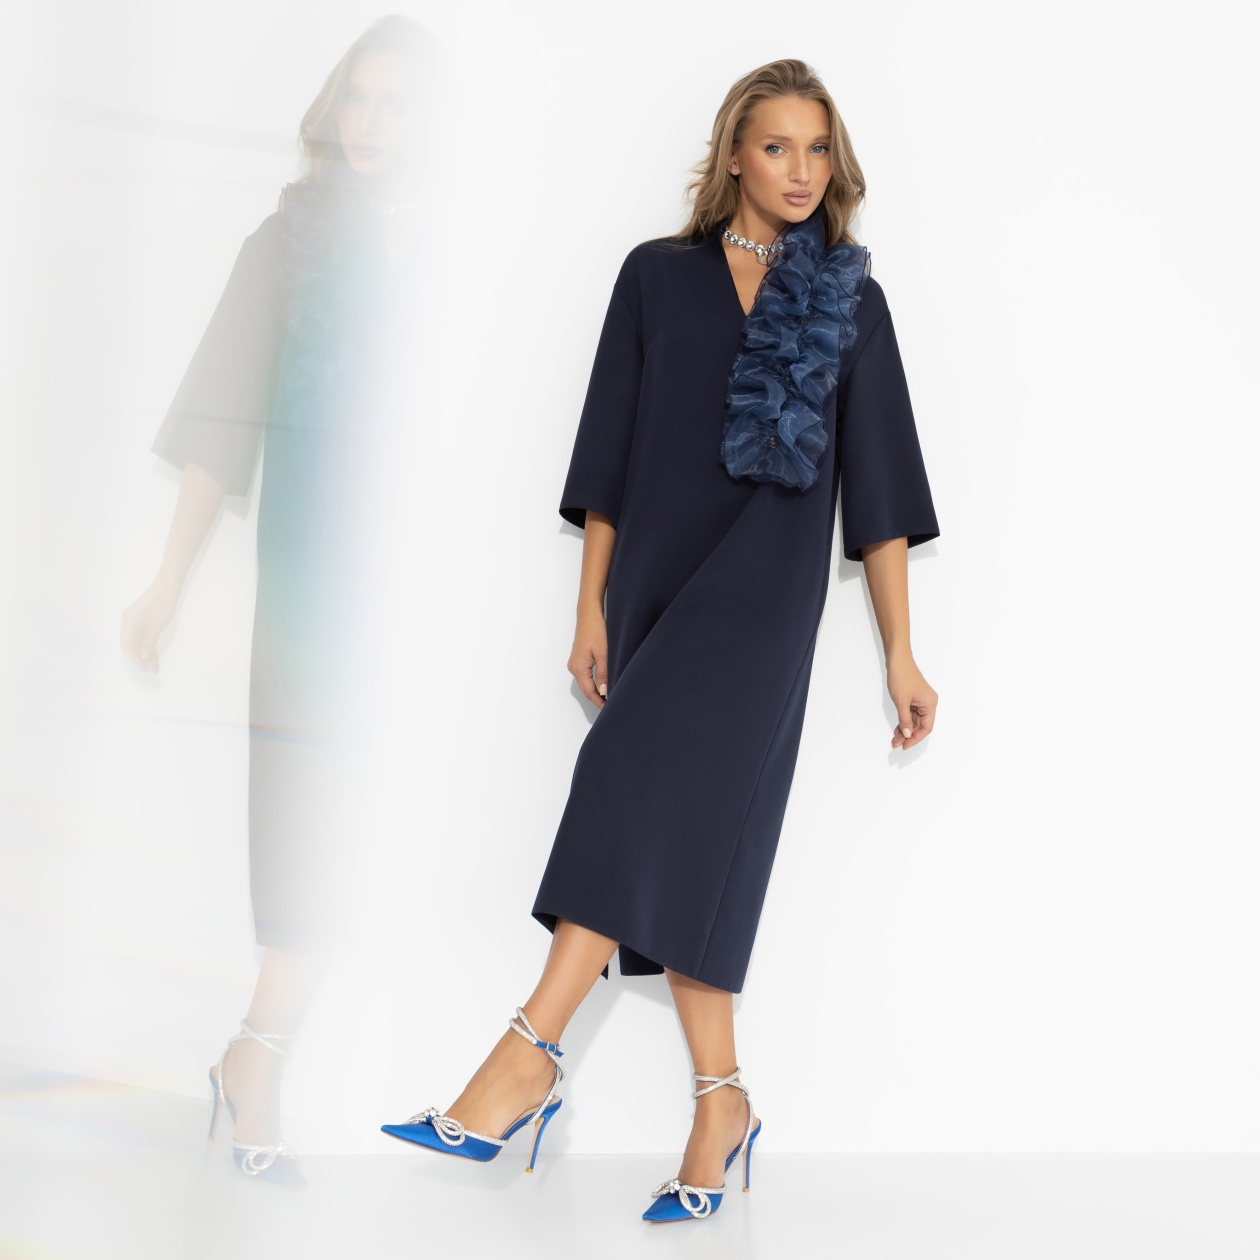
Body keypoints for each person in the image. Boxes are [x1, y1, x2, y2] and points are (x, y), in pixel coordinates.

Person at [382, 57, 939, 1223]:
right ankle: (721, 1107)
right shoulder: (655, 276)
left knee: (628, 785)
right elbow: (609, 453)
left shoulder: (854, 299)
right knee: (690, 845)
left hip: (763, 598)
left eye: (818, 149)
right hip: (652, 586)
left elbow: (881, 490)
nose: (800, 169)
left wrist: (901, 651)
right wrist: (588, 604)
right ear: (734, 154)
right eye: (777, 146)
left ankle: (528, 1056)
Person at [120, 14, 428, 1184]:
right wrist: (166, 581)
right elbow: (220, 419)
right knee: (313, 824)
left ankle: (253, 1059)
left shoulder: (456, 247)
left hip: (420, 593)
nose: (372, 125)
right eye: (359, 100)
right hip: (310, 584)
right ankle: (256, 1060)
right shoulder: (286, 245)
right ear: (333, 109)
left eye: (398, 105)